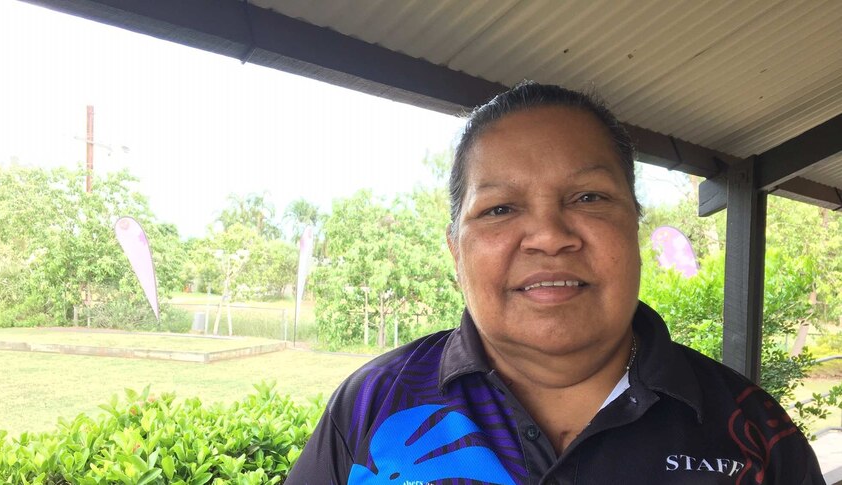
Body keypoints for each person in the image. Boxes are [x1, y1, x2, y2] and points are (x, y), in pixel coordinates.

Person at [285, 82, 825, 484]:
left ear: (632, 224)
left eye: (588, 197)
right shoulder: (372, 404)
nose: (548, 236)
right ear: (456, 249)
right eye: (499, 208)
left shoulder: (755, 434)